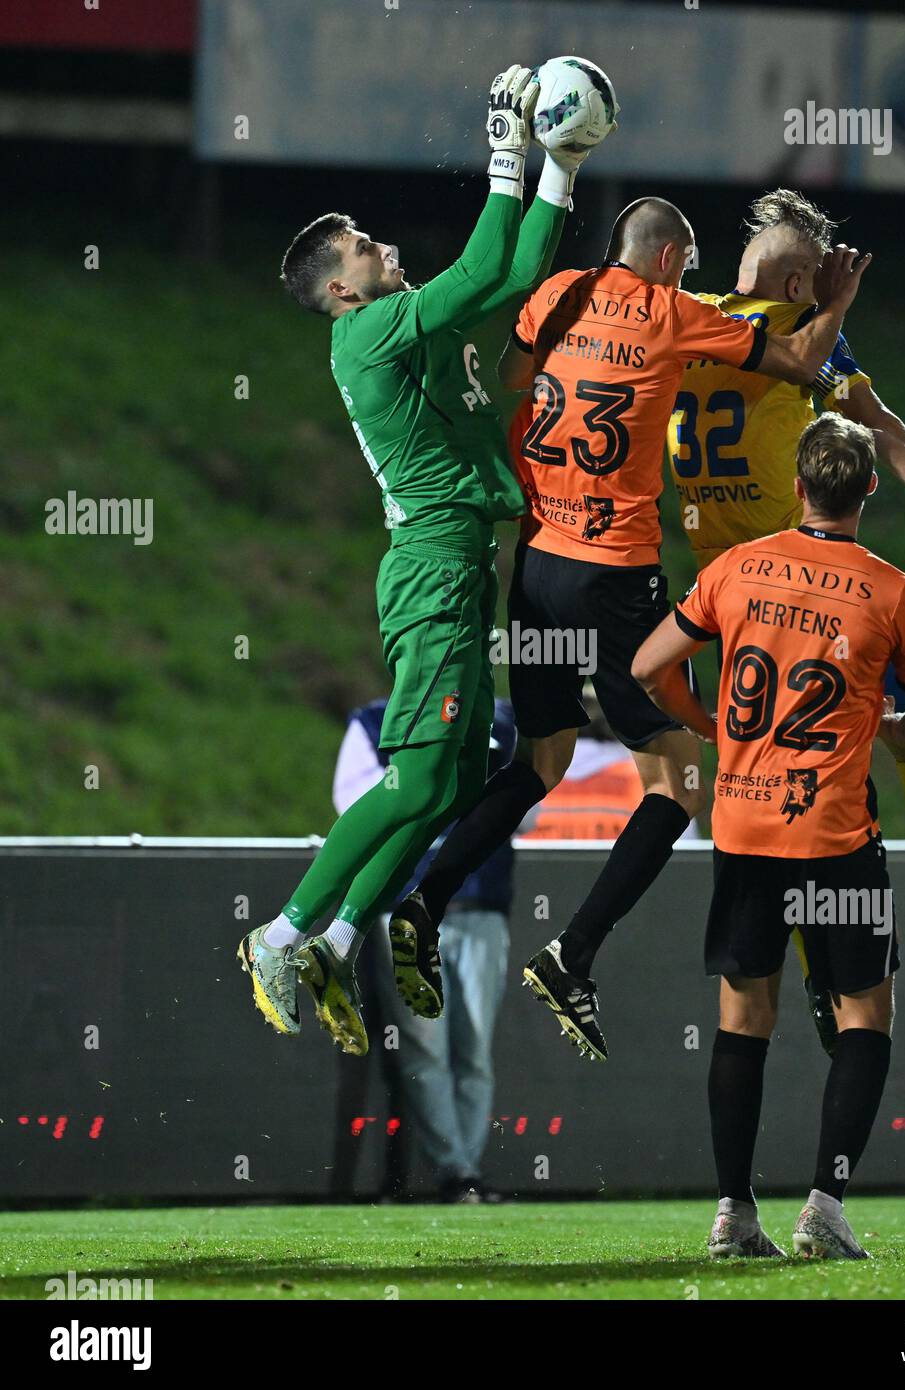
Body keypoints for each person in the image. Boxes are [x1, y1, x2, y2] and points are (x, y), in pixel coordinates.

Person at [390, 196, 872, 1062]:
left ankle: (426, 899)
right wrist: (835, 300)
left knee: (538, 761)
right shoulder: (672, 313)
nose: (692, 279)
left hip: (535, 565)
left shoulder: (560, 294)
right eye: (686, 265)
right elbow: (802, 360)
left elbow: (511, 375)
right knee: (680, 784)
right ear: (667, 260)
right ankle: (573, 953)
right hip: (615, 575)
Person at [237, 66, 605, 1052]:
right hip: (433, 566)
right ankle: (279, 934)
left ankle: (342, 937)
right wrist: (505, 156)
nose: (378, 243)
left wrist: (558, 172)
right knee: (412, 781)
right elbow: (487, 269)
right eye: (361, 244)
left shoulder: (407, 326)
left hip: (455, 560)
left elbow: (511, 273)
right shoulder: (363, 338)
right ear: (343, 289)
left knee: (445, 787)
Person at [666, 188, 905, 1052]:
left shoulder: (693, 313)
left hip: (734, 602)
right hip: (802, 593)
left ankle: (843, 973)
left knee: (772, 794)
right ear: (804, 278)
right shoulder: (801, 335)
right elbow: (881, 423)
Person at [633, 412, 905, 1259]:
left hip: (743, 826)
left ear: (797, 485)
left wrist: (703, 721)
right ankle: (825, 1206)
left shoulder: (736, 568)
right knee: (864, 1014)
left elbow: (644, 666)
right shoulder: (897, 594)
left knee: (745, 1016)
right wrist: (888, 730)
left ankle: (734, 1216)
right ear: (870, 489)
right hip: (834, 836)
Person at [334, 700, 517, 1203]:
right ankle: (457, 1172)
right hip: (409, 905)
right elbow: (355, 806)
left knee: (473, 1049)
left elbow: (528, 806)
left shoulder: (499, 719)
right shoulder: (375, 721)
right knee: (427, 1048)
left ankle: (466, 1171)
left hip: (480, 905)